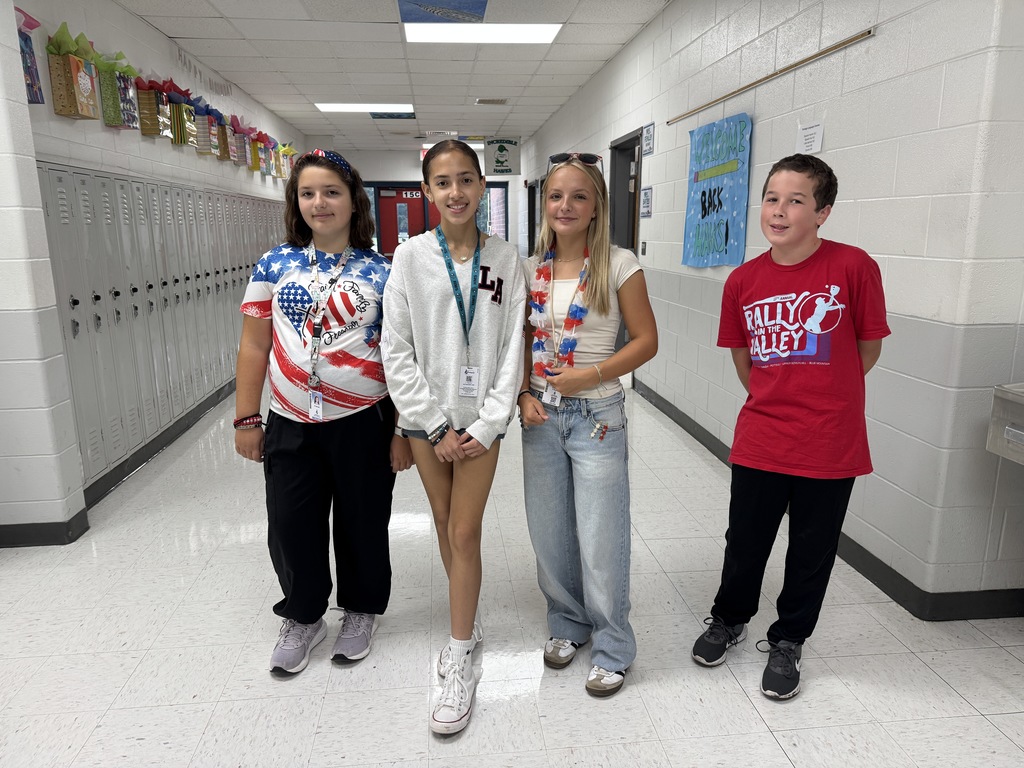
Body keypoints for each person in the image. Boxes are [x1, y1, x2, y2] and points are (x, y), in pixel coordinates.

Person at [690, 153, 890, 700]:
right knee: (745, 541)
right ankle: (729, 619)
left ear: (823, 212)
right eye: (771, 199)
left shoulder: (853, 267)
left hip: (830, 442)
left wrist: (825, 392)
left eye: (796, 200)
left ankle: (788, 640)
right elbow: (745, 359)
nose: (778, 211)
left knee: (811, 550)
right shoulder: (743, 280)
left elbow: (866, 349)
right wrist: (779, 393)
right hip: (762, 437)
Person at [234, 148, 413, 676]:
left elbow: (401, 355)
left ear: (354, 201)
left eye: (332, 192)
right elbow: (254, 345)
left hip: (365, 420)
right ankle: (303, 615)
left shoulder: (383, 271)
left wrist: (403, 429)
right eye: (308, 193)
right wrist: (247, 418)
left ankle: (360, 611)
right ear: (296, 202)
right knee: (291, 523)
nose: (320, 203)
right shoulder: (274, 264)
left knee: (363, 521)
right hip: (290, 421)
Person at [382, 140, 527, 734]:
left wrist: (487, 423)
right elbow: (396, 348)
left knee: (465, 530)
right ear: (427, 190)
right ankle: (467, 618)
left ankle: (460, 653)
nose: (456, 192)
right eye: (443, 182)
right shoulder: (410, 257)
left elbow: (513, 348)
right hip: (427, 421)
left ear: (482, 185)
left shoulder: (507, 257)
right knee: (444, 524)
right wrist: (433, 423)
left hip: (481, 424)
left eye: (466, 179)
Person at [518, 152, 658, 698]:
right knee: (549, 532)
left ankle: (613, 645)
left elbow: (646, 341)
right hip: (541, 415)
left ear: (597, 205)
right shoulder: (530, 269)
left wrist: (591, 374)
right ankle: (567, 622)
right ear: (545, 204)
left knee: (600, 535)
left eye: (579, 196)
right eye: (556, 196)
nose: (566, 205)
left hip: (596, 414)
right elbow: (520, 342)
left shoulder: (619, 264)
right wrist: (524, 393)